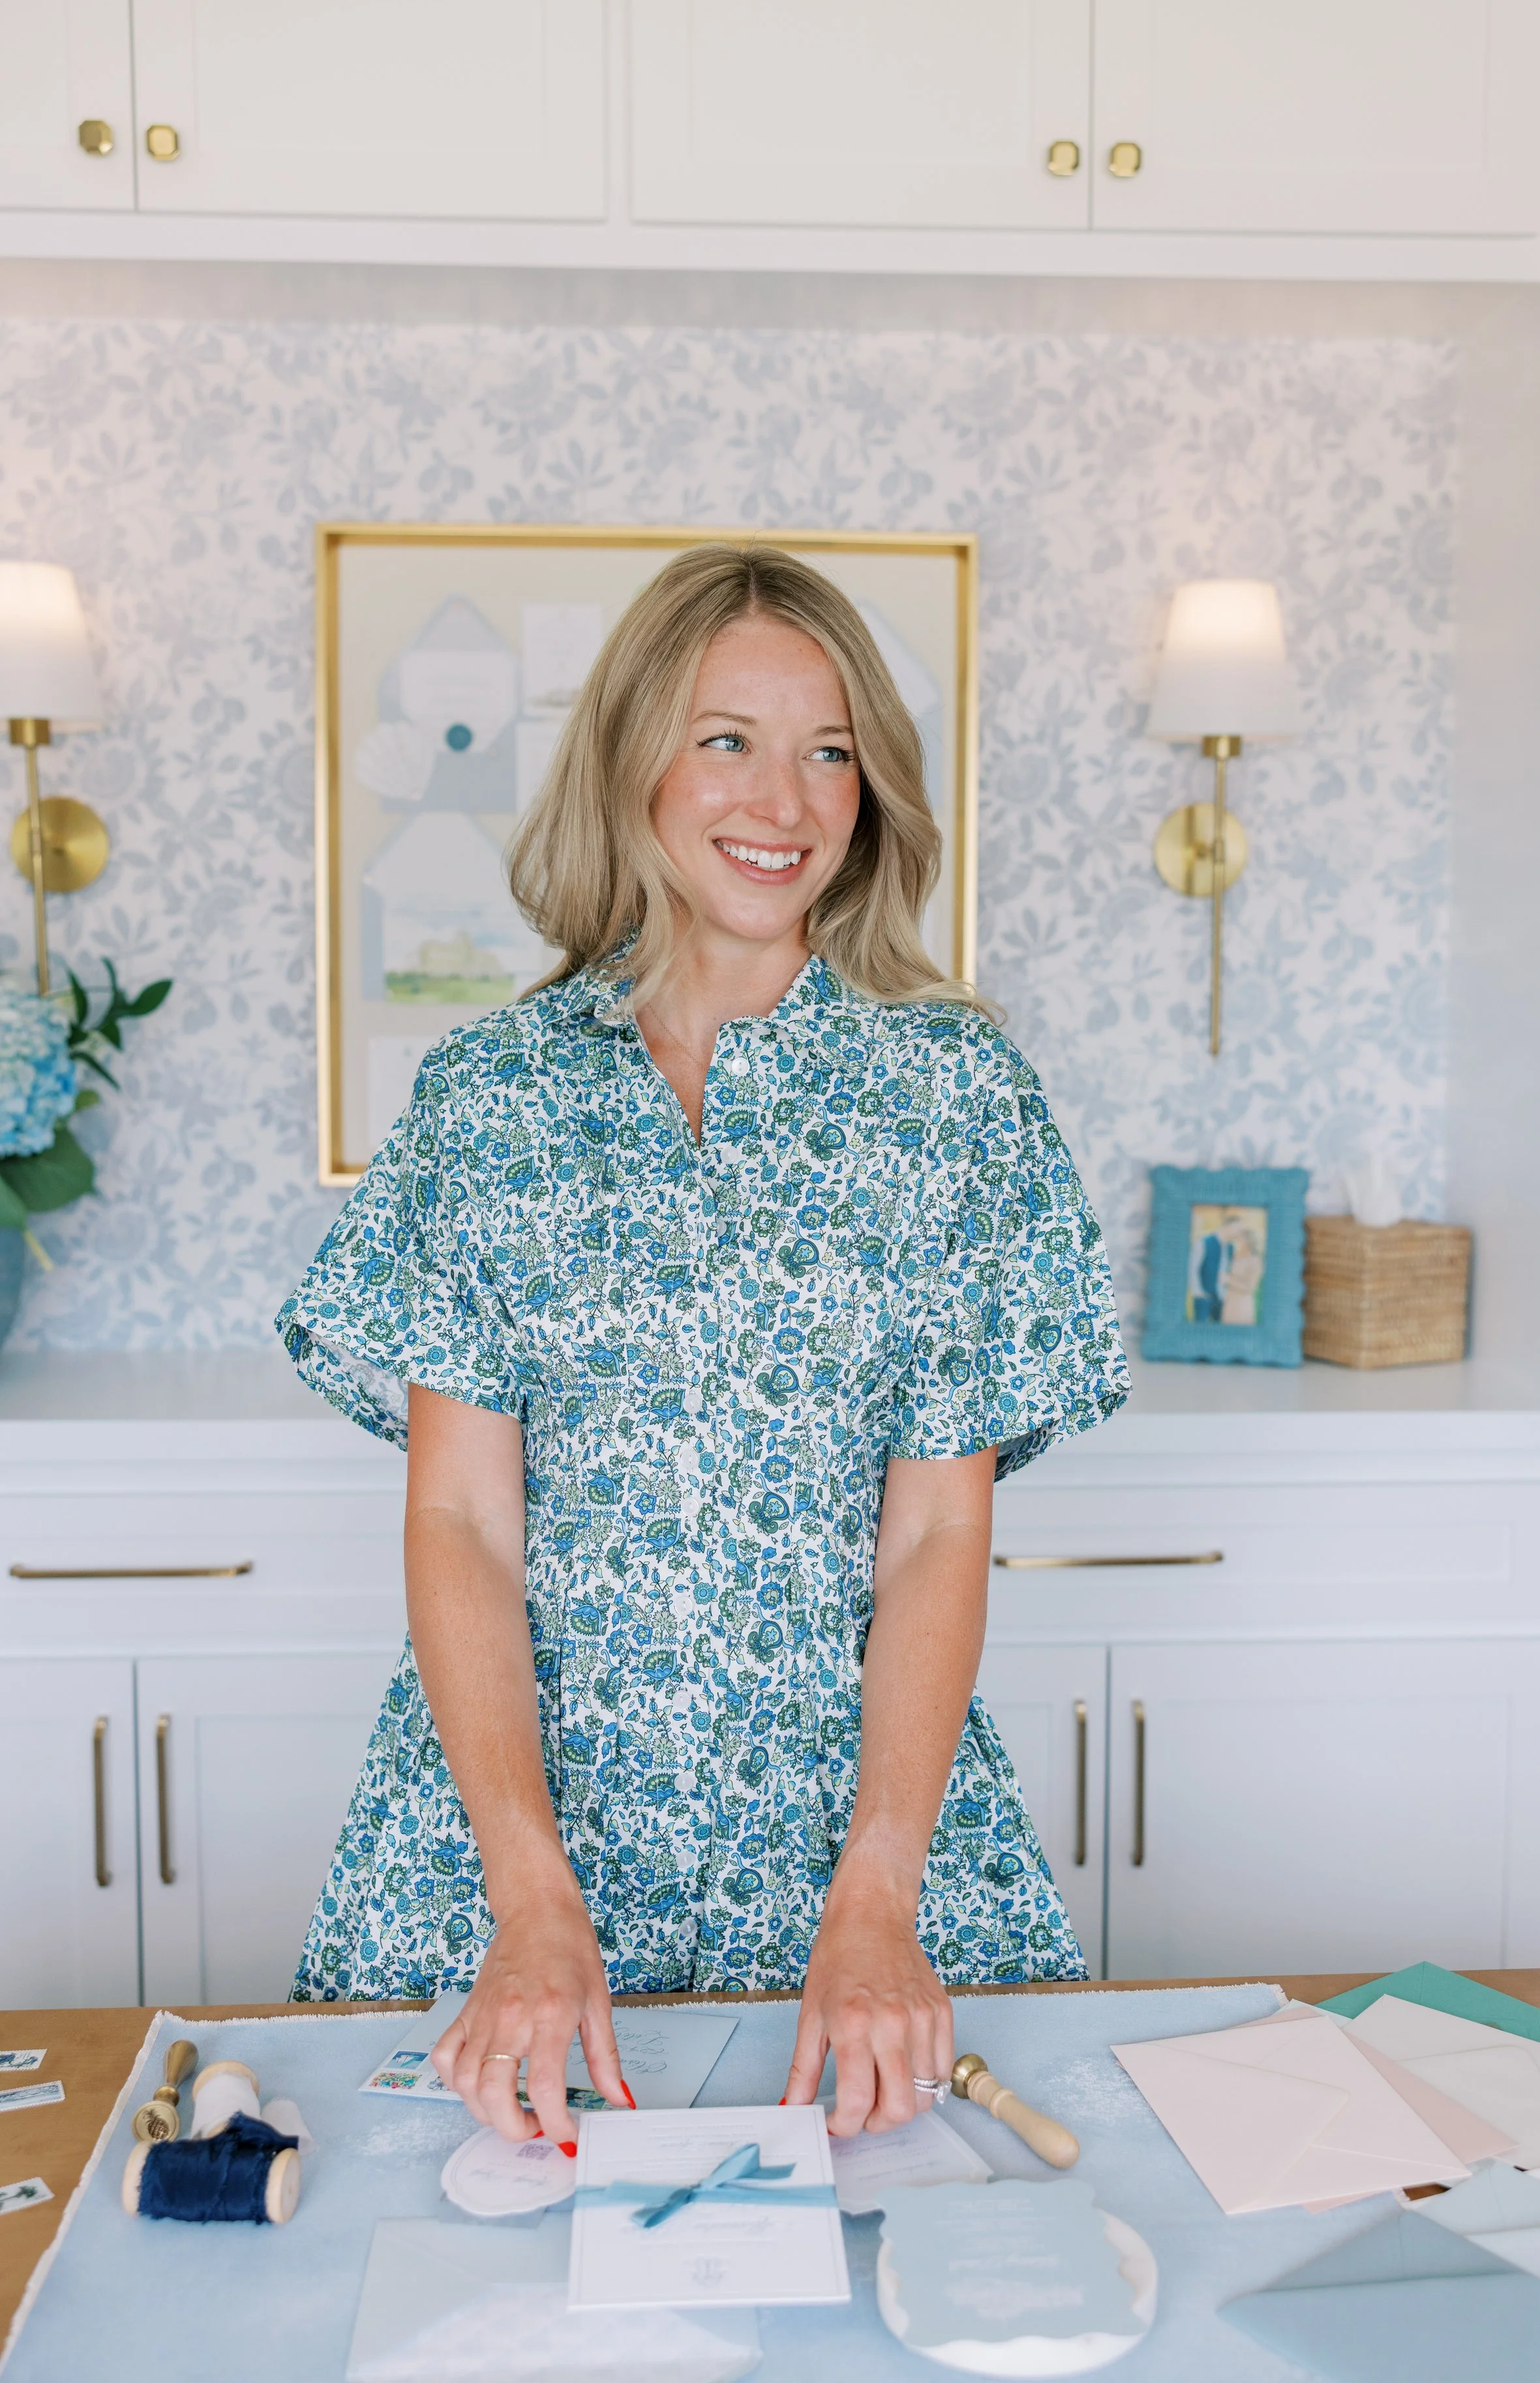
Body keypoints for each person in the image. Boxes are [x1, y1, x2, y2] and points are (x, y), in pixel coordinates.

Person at [277, 543, 1127, 2147]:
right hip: (512, 1825)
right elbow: (459, 1517)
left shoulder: (950, 1096)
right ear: (634, 762)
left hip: (857, 1829)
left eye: (830, 750)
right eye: (726, 737)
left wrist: (879, 1890)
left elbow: (938, 1526)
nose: (784, 800)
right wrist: (525, 1894)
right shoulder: (493, 1095)